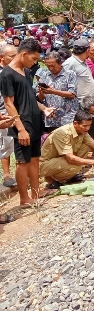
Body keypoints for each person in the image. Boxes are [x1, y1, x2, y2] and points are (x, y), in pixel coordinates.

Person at [0, 39, 56, 206]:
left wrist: (43, 109)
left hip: (34, 122)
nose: (34, 63)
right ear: (23, 54)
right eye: (33, 59)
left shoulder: (27, 72)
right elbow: (9, 103)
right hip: (22, 124)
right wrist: (20, 128)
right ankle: (24, 199)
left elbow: (29, 97)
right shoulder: (7, 75)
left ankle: (36, 192)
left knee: (34, 158)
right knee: (22, 162)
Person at [40, 110, 94, 189]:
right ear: (75, 123)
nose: (87, 128)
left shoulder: (82, 131)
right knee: (76, 165)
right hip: (45, 164)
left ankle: (69, 176)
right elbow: (70, 159)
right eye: (85, 126)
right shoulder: (63, 133)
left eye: (89, 125)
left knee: (85, 146)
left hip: (60, 159)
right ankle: (51, 180)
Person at [36, 52, 78, 132]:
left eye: (53, 66)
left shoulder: (70, 74)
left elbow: (72, 94)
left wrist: (53, 91)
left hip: (67, 117)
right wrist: (41, 92)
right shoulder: (44, 75)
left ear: (60, 63)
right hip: (51, 117)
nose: (51, 68)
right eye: (48, 66)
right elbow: (40, 98)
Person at [0, 44, 17, 187]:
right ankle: (6, 175)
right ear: (2, 57)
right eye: (11, 56)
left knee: (18, 141)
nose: (14, 58)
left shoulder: (16, 70)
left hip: (17, 111)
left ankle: (21, 173)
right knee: (5, 144)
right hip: (3, 113)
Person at [62, 38, 94, 103]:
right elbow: (62, 82)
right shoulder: (70, 63)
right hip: (79, 103)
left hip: (88, 101)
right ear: (87, 50)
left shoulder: (83, 61)